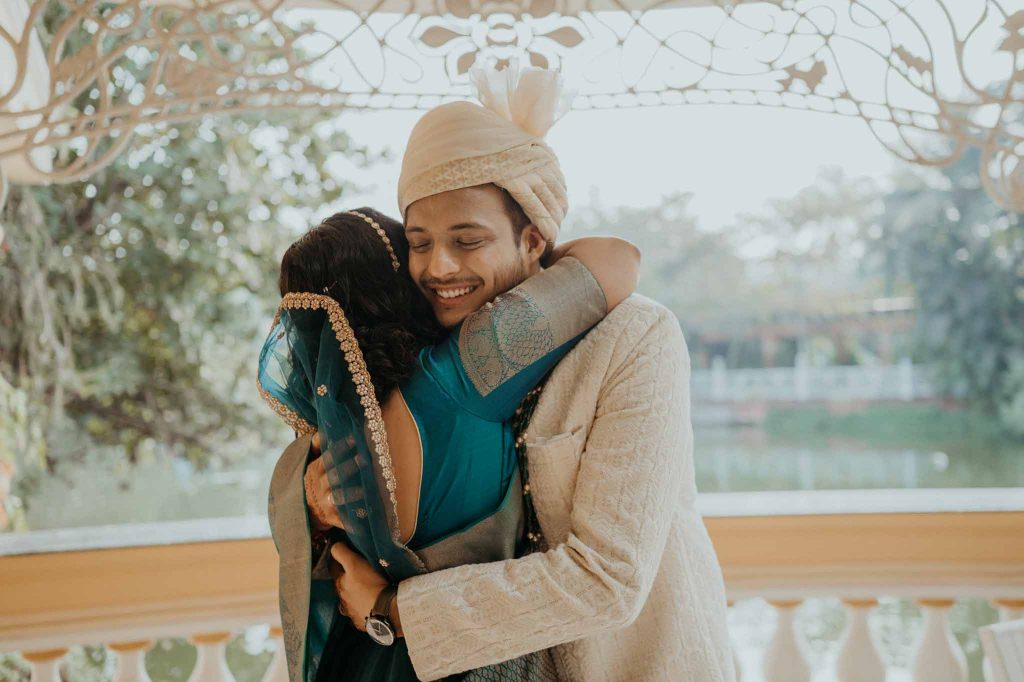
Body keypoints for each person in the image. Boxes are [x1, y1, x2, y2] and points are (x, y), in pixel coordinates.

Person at [323, 67, 736, 681]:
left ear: (533, 239)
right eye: (419, 242)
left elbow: (610, 581)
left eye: (468, 241)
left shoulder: (635, 339)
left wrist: (396, 610)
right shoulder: (423, 349)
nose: (438, 267)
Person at [259, 206, 640, 681]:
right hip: (468, 661)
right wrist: (527, 258)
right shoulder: (463, 375)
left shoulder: (324, 436)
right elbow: (617, 258)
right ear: (397, 285)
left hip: (361, 661)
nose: (436, 271)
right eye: (417, 249)